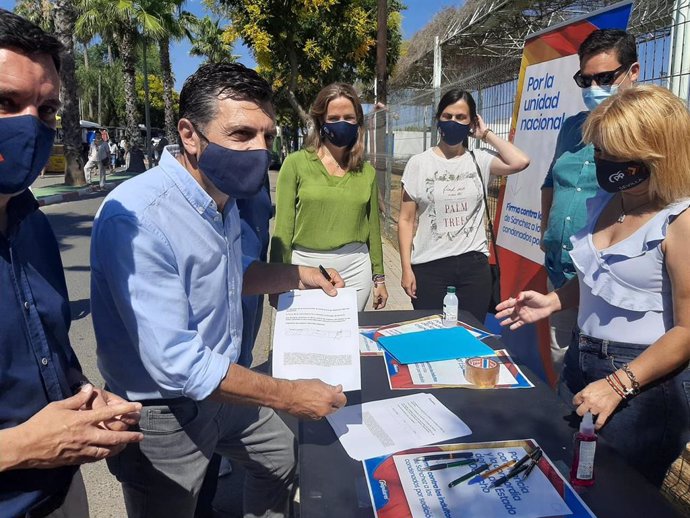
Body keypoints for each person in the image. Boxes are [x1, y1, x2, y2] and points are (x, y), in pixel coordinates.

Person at [90, 62, 348, 518]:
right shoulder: (137, 216)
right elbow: (177, 363)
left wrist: (296, 274)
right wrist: (289, 394)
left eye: (267, 136)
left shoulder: (221, 198)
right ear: (190, 135)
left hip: (222, 389)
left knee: (280, 459)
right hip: (164, 413)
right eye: (242, 134)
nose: (259, 150)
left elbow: (229, 274)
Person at [497, 85, 690, 487]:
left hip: (642, 382)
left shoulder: (680, 221)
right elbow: (598, 279)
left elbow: (687, 331)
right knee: (564, 473)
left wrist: (620, 384)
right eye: (599, 150)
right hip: (581, 362)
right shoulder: (608, 198)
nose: (602, 162)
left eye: (615, 152)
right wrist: (553, 300)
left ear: (658, 150)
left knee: (617, 492)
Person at [0, 9, 143, 517]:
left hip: (59, 494)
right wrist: (18, 447)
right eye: (5, 102)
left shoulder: (32, 227)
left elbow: (48, 352)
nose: (28, 127)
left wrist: (86, 400)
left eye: (45, 110)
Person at [541, 29, 639, 374]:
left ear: (633, 72)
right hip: (561, 271)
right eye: (587, 79)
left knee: (606, 373)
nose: (595, 88)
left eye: (605, 78)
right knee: (563, 369)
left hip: (613, 282)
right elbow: (551, 182)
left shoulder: (650, 132)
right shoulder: (571, 128)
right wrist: (548, 236)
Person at [398, 89, 530, 322]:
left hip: (473, 268)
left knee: (471, 335)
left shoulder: (480, 159)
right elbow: (406, 220)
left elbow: (520, 161)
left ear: (471, 122)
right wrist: (406, 268)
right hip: (429, 268)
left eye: (461, 117)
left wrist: (486, 133)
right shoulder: (419, 163)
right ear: (438, 118)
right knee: (431, 336)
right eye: (447, 116)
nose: (453, 122)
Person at [271, 83, 388, 311]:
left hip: (356, 270)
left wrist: (379, 278)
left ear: (358, 123)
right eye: (333, 118)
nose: (341, 123)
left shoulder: (367, 172)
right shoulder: (295, 164)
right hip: (304, 269)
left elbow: (373, 230)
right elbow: (282, 229)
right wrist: (277, 280)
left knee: (346, 340)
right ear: (320, 121)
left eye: (349, 117)